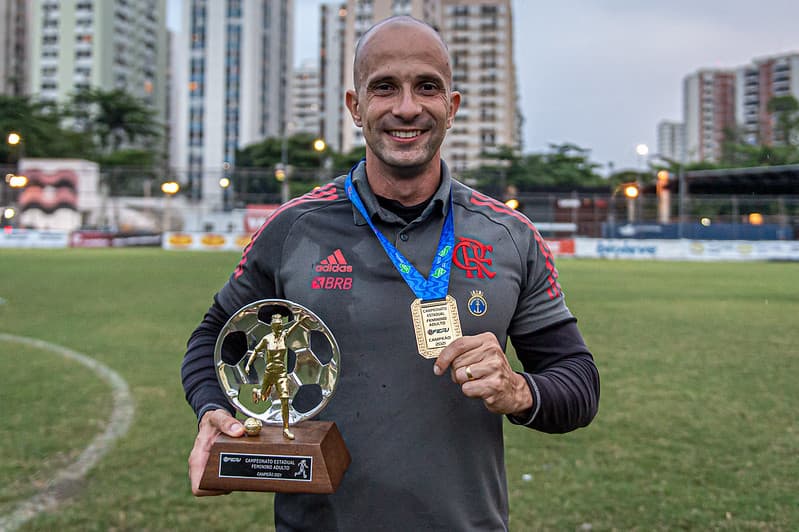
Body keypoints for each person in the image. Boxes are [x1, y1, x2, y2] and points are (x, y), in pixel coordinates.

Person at [183, 15, 599, 531]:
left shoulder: (509, 235)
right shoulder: (293, 230)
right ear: (355, 107)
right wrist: (211, 410)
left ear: (453, 106)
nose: (407, 107)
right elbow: (212, 338)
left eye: (427, 86)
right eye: (385, 88)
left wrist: (518, 390)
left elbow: (579, 385)